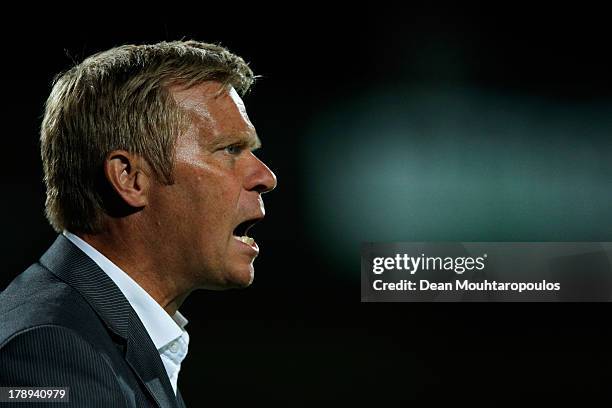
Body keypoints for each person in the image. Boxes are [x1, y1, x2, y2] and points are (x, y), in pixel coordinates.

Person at [0, 40, 277, 407]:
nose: (266, 176)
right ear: (130, 178)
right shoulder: (50, 350)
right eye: (230, 150)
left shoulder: (101, 335)